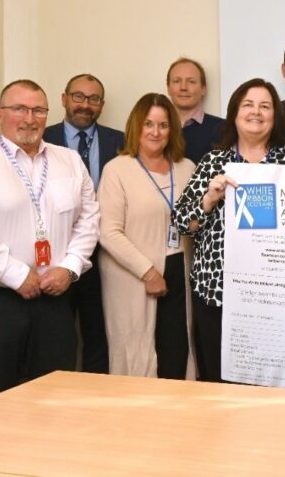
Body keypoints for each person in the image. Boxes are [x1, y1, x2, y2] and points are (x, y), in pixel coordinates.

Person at [0, 79, 99, 403]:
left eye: (38, 109)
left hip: (54, 299)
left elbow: (88, 221)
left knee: (55, 397)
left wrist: (69, 269)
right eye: (19, 109)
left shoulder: (69, 160)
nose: (30, 118)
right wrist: (16, 274)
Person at [172, 78, 285, 382]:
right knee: (220, 385)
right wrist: (208, 199)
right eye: (248, 105)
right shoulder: (212, 161)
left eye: (265, 106)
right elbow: (181, 222)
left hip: (275, 299)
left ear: (275, 116)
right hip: (218, 297)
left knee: (272, 387)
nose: (256, 112)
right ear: (234, 113)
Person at [98, 94, 195, 379]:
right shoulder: (117, 170)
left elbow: (194, 220)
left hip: (180, 268)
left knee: (176, 349)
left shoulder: (187, 167)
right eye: (148, 124)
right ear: (136, 127)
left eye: (163, 125)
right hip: (134, 275)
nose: (155, 132)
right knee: (137, 352)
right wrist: (148, 271)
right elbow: (108, 231)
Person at [44, 73, 124, 374]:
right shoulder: (42, 137)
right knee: (56, 334)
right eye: (78, 97)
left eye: (93, 99)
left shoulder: (120, 140)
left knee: (98, 333)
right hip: (54, 257)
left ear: (101, 105)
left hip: (105, 253)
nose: (85, 105)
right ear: (64, 99)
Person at [166, 57, 225, 164]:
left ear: (203, 89)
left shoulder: (223, 129)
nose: (183, 87)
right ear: (168, 88)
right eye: (177, 81)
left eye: (191, 82)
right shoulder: (155, 130)